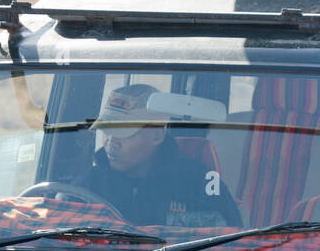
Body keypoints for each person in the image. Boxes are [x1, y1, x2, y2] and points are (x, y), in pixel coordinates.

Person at [82, 83, 242, 229]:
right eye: (106, 131)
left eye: (123, 133)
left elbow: (232, 241)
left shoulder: (199, 183)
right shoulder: (89, 184)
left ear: (157, 136)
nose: (111, 142)